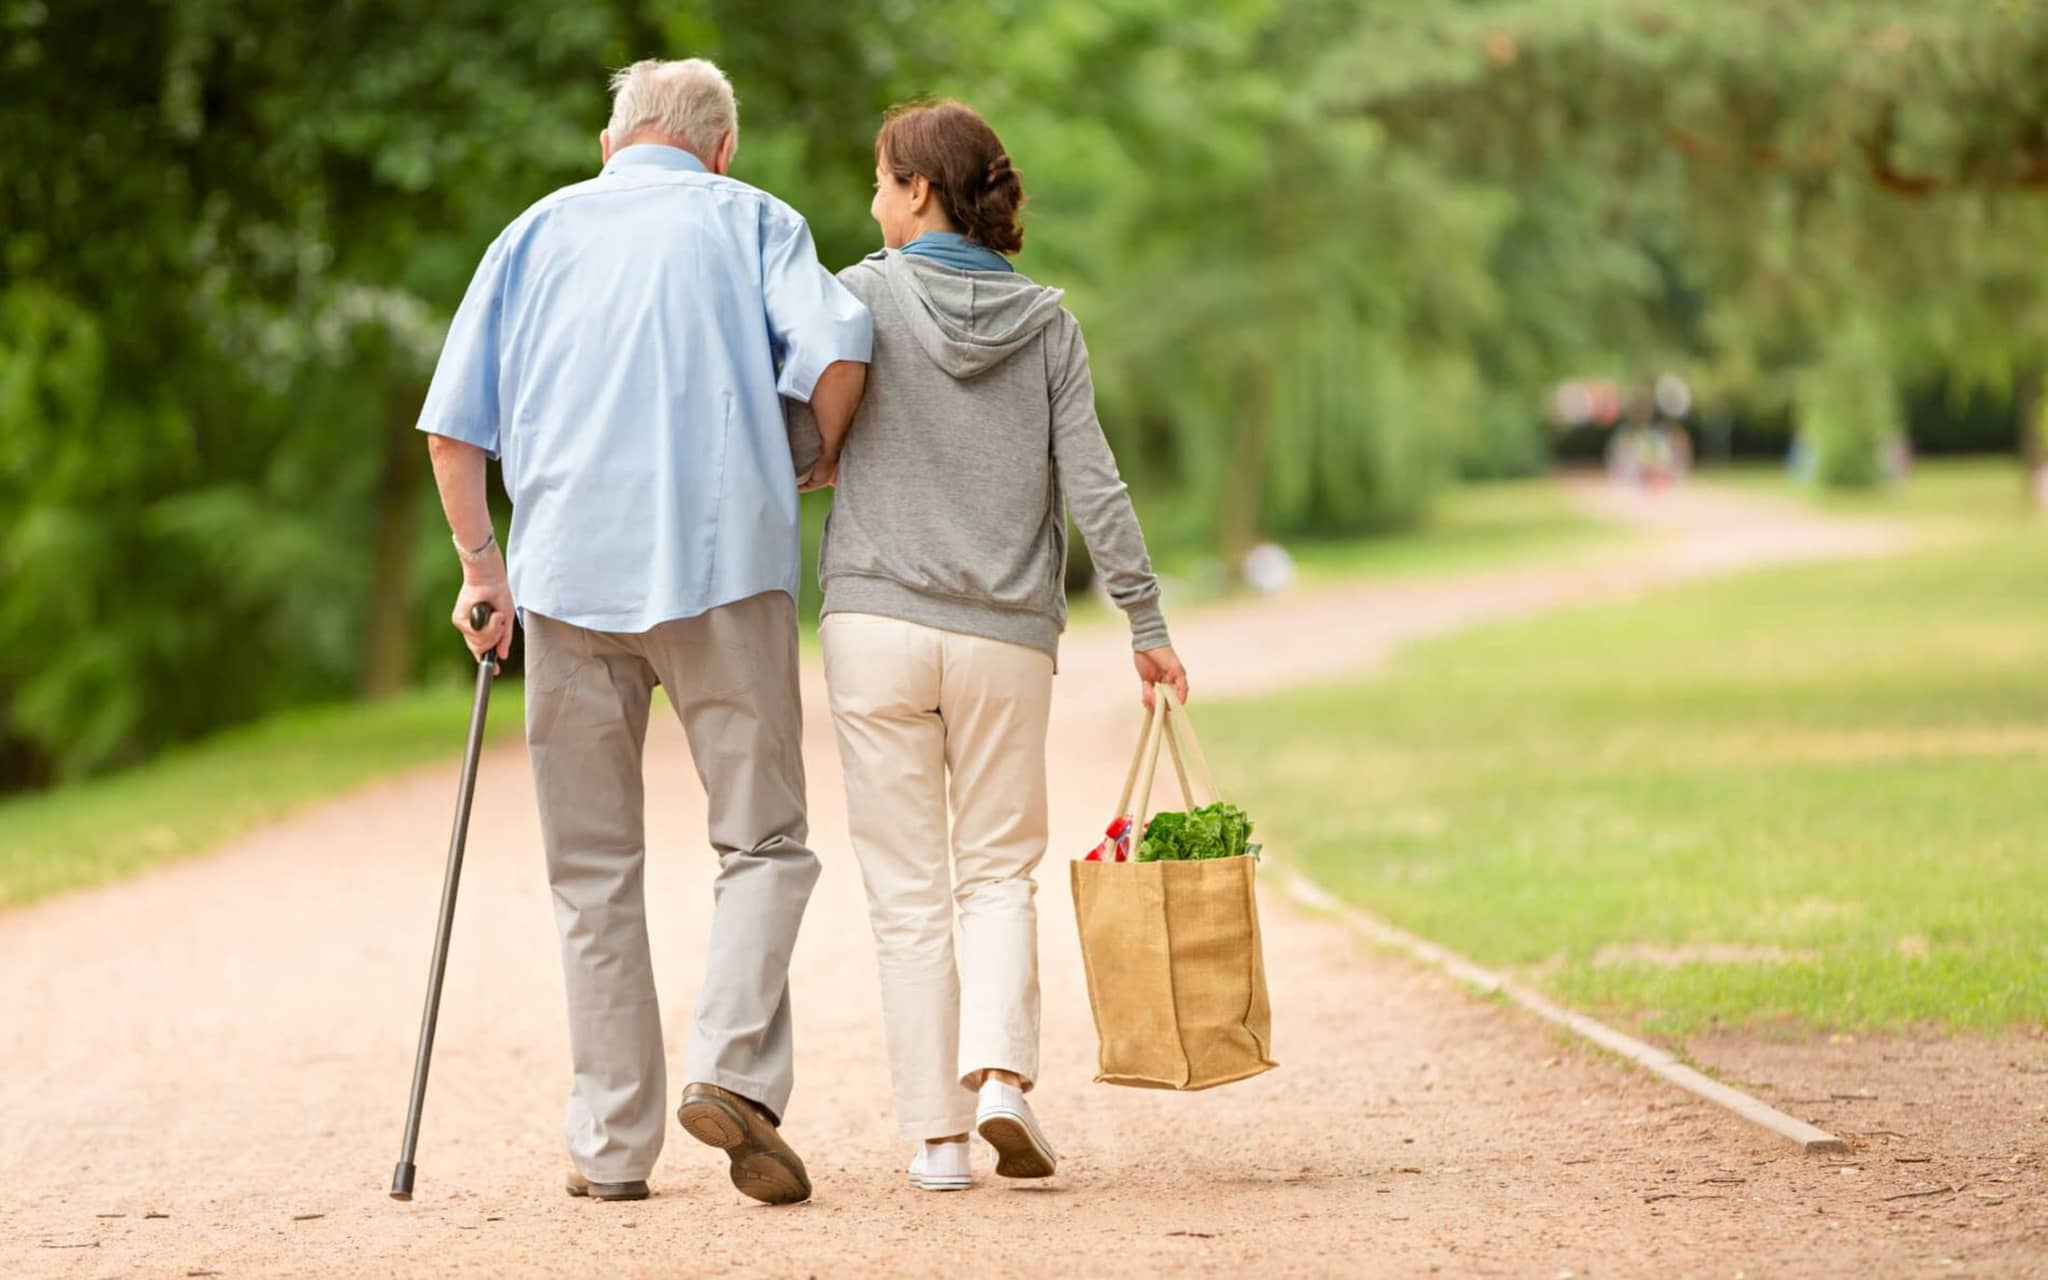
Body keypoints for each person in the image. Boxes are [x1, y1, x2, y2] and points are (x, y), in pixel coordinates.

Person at [417, 58, 871, 1206]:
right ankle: (729, 1068)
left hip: (567, 581)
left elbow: (452, 435)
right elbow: (839, 350)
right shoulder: (755, 220)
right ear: (718, 147)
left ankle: (613, 1147)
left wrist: (484, 570)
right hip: (724, 572)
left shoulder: (531, 233)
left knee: (590, 871)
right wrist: (808, 457)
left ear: (612, 139)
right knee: (763, 841)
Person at [809, 99, 1188, 1191]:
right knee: (994, 874)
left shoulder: (859, 296)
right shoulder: (1049, 324)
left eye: (881, 181)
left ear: (919, 191)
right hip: (1004, 640)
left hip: (876, 623)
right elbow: (1095, 488)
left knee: (906, 890)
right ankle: (1004, 1083)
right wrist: (1145, 623)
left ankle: (933, 1139)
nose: (872, 201)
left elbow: (804, 436)